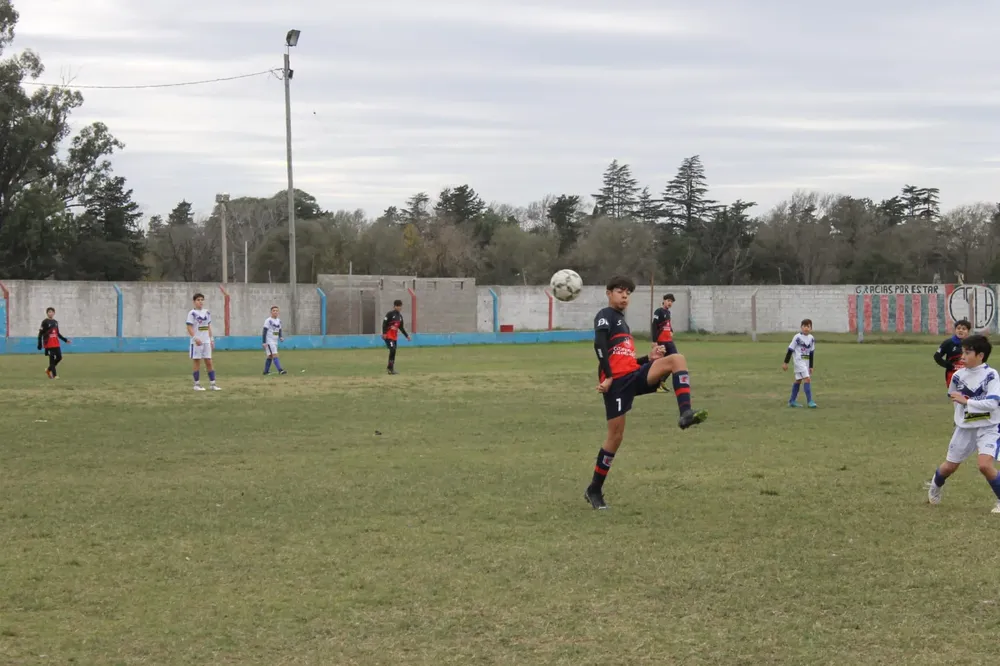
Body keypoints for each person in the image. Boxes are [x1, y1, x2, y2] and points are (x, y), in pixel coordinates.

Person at [584, 275, 708, 510]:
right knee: (615, 438)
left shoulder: (623, 322)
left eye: (628, 293)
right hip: (617, 383)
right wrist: (608, 376)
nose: (624, 296)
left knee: (676, 359)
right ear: (608, 293)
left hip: (632, 376)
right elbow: (599, 345)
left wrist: (647, 359)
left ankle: (685, 413)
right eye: (620, 291)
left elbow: (626, 360)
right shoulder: (604, 315)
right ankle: (594, 489)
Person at [926, 334, 1000, 513]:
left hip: (988, 427)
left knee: (984, 465)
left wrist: (967, 402)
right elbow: (953, 397)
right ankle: (935, 486)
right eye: (962, 352)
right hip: (965, 428)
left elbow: (993, 403)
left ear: (980, 355)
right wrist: (962, 412)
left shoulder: (991, 375)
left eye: (968, 352)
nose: (962, 356)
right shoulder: (957, 376)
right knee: (949, 467)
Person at [186, 293, 220, 391]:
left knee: (209, 361)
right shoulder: (192, 313)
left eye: (202, 300)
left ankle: (213, 384)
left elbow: (208, 326)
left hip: (206, 341)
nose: (200, 301)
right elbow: (189, 327)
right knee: (197, 362)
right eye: (198, 300)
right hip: (197, 342)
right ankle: (197, 384)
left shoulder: (207, 312)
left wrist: (211, 339)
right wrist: (195, 338)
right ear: (194, 301)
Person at [782, 319, 816, 408]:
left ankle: (792, 401)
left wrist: (811, 366)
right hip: (799, 361)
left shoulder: (811, 338)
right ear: (801, 327)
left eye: (808, 326)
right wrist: (785, 363)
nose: (806, 328)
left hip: (806, 361)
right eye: (804, 326)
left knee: (798, 380)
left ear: (811, 328)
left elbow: (811, 352)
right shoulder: (797, 337)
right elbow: (790, 349)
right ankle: (810, 401)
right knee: (807, 379)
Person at [934, 319, 971, 387]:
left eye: (964, 329)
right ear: (955, 330)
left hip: (968, 374)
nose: (960, 330)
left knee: (967, 395)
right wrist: (948, 365)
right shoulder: (948, 343)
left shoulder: (972, 343)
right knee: (956, 395)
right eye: (958, 328)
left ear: (968, 331)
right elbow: (937, 356)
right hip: (952, 374)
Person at [37, 307, 70, 379]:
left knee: (59, 357)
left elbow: (57, 333)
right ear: (47, 313)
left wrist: (65, 340)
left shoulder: (55, 322)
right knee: (51, 359)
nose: (50, 313)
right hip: (48, 343)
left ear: (54, 313)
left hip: (56, 343)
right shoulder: (45, 322)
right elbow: (40, 333)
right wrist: (39, 343)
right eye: (49, 312)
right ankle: (55, 375)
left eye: (52, 312)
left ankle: (48, 370)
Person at [381, 299, 411, 375]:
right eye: (398, 306)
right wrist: (384, 333)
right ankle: (390, 368)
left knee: (393, 351)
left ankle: (391, 368)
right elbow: (384, 323)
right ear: (394, 306)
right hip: (388, 335)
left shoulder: (400, 317)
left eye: (400, 306)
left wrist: (406, 336)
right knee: (392, 349)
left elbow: (401, 327)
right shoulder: (390, 314)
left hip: (394, 337)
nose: (400, 307)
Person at [262, 305, 287, 375]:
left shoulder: (279, 321)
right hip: (269, 341)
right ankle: (280, 370)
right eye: (274, 311)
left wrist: (280, 337)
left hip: (275, 341)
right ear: (271, 312)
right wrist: (264, 342)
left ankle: (266, 371)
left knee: (270, 356)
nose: (275, 312)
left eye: (276, 311)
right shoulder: (268, 320)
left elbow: (279, 330)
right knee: (275, 355)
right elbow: (264, 331)